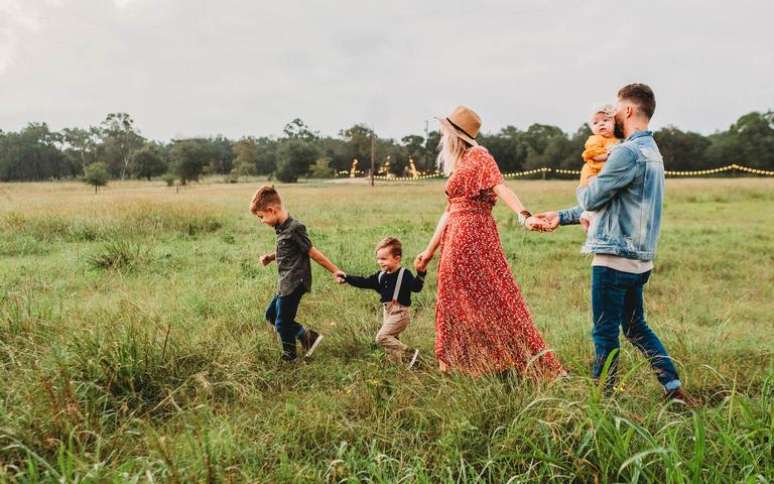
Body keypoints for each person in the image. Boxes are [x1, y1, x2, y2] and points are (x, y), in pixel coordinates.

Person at [531, 84, 692, 403]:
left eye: (617, 109)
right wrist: (560, 217)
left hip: (613, 259)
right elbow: (613, 203)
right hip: (640, 260)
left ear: (629, 111)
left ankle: (601, 403)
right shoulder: (652, 152)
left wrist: (586, 178)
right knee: (635, 328)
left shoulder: (626, 152)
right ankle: (672, 388)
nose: (614, 115)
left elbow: (591, 196)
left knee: (605, 333)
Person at [414, 105, 563, 377]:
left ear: (454, 135)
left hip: (474, 237)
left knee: (495, 299)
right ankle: (461, 365)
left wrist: (524, 215)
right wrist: (429, 251)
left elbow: (500, 186)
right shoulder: (460, 163)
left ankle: (510, 361)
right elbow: (449, 211)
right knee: (454, 301)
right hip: (455, 238)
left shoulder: (479, 156)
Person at [250, 185, 340, 362]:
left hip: (294, 283)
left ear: (271, 210)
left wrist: (336, 271)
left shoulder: (295, 228)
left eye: (261, 217)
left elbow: (312, 252)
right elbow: (289, 250)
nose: (261, 221)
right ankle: (307, 337)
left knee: (282, 322)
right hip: (285, 282)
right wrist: (270, 257)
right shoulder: (282, 228)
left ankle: (291, 355)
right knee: (271, 315)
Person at [335, 237, 425, 368]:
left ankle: (410, 353)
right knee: (391, 344)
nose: (380, 262)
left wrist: (421, 273)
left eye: (383, 259)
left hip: (400, 313)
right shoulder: (381, 276)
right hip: (387, 312)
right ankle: (396, 369)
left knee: (382, 337)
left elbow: (416, 287)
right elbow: (364, 281)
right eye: (378, 259)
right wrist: (347, 278)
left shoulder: (404, 274)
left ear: (397, 258)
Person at [579, 104, 620, 230]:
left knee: (605, 202)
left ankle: (587, 216)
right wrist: (608, 154)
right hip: (592, 175)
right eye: (596, 123)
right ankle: (588, 218)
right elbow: (594, 154)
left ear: (614, 123)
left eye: (605, 120)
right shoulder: (595, 139)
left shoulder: (615, 140)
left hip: (602, 175)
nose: (601, 124)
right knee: (598, 196)